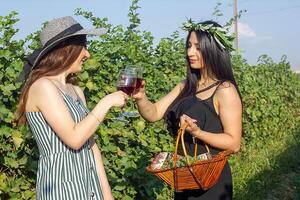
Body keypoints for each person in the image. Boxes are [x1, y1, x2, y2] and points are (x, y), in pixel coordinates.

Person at [15, 16, 128, 200]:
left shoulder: (76, 91)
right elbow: (74, 138)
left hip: (89, 186)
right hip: (60, 187)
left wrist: (107, 195)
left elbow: (90, 145)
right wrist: (105, 103)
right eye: (83, 46)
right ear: (67, 49)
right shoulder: (42, 87)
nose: (87, 54)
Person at [133, 20, 242, 200]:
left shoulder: (224, 90)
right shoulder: (185, 86)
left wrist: (198, 132)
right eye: (189, 46)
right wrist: (141, 97)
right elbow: (153, 114)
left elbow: (234, 143)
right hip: (185, 177)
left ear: (212, 49)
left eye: (198, 47)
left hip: (212, 181)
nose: (190, 52)